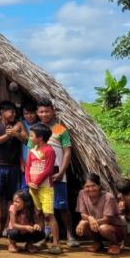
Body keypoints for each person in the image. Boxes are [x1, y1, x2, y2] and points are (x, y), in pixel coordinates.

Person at [37, 98, 78, 248]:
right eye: (41, 111)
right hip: (41, 174)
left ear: (53, 111)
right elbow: (31, 150)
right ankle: (45, 235)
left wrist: (62, 171)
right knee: (43, 207)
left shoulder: (60, 129)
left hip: (57, 173)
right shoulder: (35, 130)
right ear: (37, 113)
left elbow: (67, 151)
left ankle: (70, 235)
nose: (44, 114)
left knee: (62, 206)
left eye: (47, 111)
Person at [0, 101, 27, 234]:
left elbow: (27, 139)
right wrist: (9, 134)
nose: (14, 114)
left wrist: (17, 134)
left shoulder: (18, 124)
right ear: (2, 112)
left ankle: (7, 225)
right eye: (11, 111)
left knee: (12, 197)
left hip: (13, 167)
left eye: (14, 112)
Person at [25, 123, 61, 255]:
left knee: (48, 215)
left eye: (32, 135)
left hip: (45, 187)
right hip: (33, 187)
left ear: (40, 137)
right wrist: (29, 182)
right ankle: (41, 239)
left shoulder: (49, 150)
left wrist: (37, 182)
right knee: (38, 213)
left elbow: (48, 170)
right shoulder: (32, 150)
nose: (30, 137)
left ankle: (56, 243)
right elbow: (28, 168)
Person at [75, 173, 125, 255]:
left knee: (103, 228)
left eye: (93, 185)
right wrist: (89, 219)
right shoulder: (82, 194)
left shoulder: (108, 197)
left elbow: (107, 219)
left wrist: (87, 221)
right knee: (83, 224)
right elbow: (83, 214)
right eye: (87, 186)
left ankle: (115, 243)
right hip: (96, 225)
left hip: (114, 228)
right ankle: (98, 243)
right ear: (83, 187)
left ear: (99, 186)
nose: (90, 189)